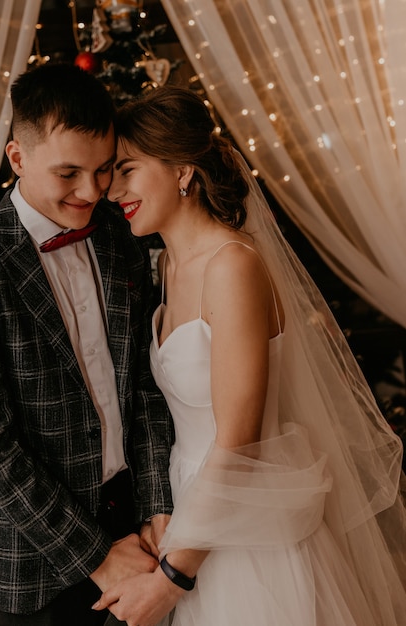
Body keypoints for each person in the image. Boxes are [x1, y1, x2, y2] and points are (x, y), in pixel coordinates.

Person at [93, 85, 406, 625]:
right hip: (190, 508)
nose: (112, 190)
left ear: (183, 171)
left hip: (246, 527)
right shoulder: (165, 265)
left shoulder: (232, 267)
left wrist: (172, 579)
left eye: (128, 169)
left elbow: (239, 445)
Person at [0, 63, 174, 626]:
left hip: (140, 523)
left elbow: (147, 383)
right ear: (18, 159)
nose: (91, 192)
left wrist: (160, 504)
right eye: (68, 173)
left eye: (103, 170)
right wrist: (96, 557)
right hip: (39, 559)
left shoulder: (119, 234)